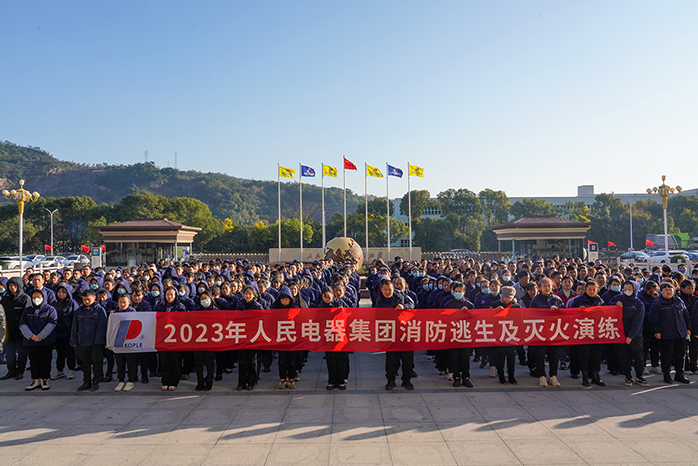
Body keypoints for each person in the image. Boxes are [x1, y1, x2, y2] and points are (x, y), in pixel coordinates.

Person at [376, 279, 415, 390]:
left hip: (405, 332)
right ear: (381, 290)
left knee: (407, 359)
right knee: (391, 359)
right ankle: (390, 381)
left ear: (393, 289)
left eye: (390, 290)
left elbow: (412, 303)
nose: (388, 292)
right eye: (385, 290)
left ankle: (406, 381)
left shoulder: (401, 295)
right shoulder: (379, 301)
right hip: (390, 333)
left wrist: (404, 307)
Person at [649, 282, 691, 384]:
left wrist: (688, 328)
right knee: (666, 355)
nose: (668, 291)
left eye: (670, 289)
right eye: (666, 290)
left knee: (681, 355)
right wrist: (656, 331)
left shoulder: (678, 301)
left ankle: (679, 374)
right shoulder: (657, 303)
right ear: (661, 292)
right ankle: (666, 375)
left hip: (680, 332)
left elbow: (686, 315)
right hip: (666, 333)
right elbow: (653, 319)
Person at [569, 280, 606, 387]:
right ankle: (585, 375)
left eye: (594, 290)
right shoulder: (578, 300)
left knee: (596, 354)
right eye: (589, 289)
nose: (591, 291)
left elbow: (606, 313)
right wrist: (578, 311)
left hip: (596, 331)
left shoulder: (599, 300)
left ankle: (595, 375)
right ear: (585, 289)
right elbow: (571, 315)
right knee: (584, 354)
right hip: (584, 331)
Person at [19, 290, 58, 391]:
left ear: (43, 297)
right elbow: (22, 324)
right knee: (33, 362)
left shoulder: (50, 309)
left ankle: (44, 380)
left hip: (46, 341)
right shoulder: (27, 310)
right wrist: (31, 336)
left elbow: (52, 324)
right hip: (30, 342)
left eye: (39, 297)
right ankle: (35, 380)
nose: (36, 299)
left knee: (45, 361)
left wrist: (41, 336)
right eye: (34, 297)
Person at [71, 289, 108, 392]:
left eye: (88, 299)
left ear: (94, 298)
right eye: (84, 299)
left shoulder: (99, 310)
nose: (86, 302)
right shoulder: (79, 310)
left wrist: (98, 341)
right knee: (85, 364)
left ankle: (96, 381)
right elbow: (75, 327)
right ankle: (86, 382)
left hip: (95, 342)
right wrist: (74, 341)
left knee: (97, 363)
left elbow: (102, 327)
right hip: (82, 342)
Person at [529, 277, 564, 387]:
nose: (547, 288)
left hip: (554, 331)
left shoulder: (557, 300)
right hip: (540, 332)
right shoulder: (535, 300)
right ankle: (542, 376)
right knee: (540, 355)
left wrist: (557, 310)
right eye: (544, 286)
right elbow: (530, 315)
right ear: (540, 287)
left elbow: (565, 314)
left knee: (554, 355)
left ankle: (553, 376)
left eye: (549, 286)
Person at [612, 281, 648, 387]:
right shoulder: (618, 298)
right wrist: (615, 305)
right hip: (620, 333)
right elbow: (607, 307)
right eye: (625, 288)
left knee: (638, 357)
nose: (627, 290)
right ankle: (628, 376)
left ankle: (639, 376)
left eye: (630, 288)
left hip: (635, 335)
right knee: (623, 356)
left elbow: (638, 322)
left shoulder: (639, 304)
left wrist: (630, 336)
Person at [154, 286, 187, 391]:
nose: (169, 297)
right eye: (167, 294)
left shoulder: (180, 307)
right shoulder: (159, 306)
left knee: (175, 360)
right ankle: (165, 380)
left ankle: (174, 381)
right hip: (163, 338)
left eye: (171, 294)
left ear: (175, 295)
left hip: (176, 338)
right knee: (164, 360)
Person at [1, 277, 31, 381]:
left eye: (14, 286)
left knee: (22, 353)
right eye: (10, 286)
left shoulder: (25, 298)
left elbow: (27, 315)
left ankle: (20, 371)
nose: (12, 288)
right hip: (8, 331)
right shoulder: (5, 299)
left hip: (20, 331)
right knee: (9, 352)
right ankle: (11, 371)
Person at [235, 285, 263, 391]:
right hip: (241, 335)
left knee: (252, 361)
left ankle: (251, 382)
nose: (247, 296)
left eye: (250, 294)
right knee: (242, 361)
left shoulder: (258, 307)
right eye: (246, 293)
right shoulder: (239, 305)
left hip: (253, 336)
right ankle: (241, 382)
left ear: (254, 295)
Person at [273, 287, 300, 389]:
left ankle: (291, 379)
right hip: (281, 339)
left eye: (286, 299)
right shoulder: (275, 309)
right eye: (282, 299)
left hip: (292, 339)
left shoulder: (295, 310)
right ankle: (283, 379)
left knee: (292, 361)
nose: (284, 301)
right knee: (282, 361)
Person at [491, 286, 520, 384]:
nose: (507, 299)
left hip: (511, 334)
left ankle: (511, 375)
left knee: (511, 356)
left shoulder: (516, 306)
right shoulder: (496, 304)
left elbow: (520, 319)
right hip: (499, 334)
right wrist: (495, 311)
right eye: (505, 297)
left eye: (509, 297)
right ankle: (501, 375)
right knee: (500, 356)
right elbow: (488, 318)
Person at [51, 284, 79, 381]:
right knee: (60, 353)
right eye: (59, 292)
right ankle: (60, 370)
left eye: (63, 292)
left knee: (70, 353)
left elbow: (76, 318)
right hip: (58, 333)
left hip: (69, 333)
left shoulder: (72, 303)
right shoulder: (54, 304)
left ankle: (71, 370)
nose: (61, 294)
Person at [110, 294, 138, 391]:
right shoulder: (115, 312)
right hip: (118, 341)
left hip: (130, 341)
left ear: (129, 302)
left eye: (124, 302)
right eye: (120, 302)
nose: (122, 304)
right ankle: (121, 380)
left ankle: (131, 380)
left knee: (131, 362)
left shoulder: (132, 311)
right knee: (120, 362)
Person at [192, 290, 216, 391]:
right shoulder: (197, 310)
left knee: (210, 362)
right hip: (198, 340)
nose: (204, 300)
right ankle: (200, 381)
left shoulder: (215, 310)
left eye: (206, 298)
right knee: (198, 362)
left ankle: (209, 380)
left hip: (210, 340)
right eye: (202, 298)